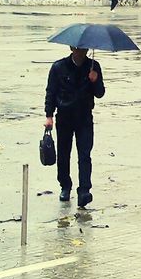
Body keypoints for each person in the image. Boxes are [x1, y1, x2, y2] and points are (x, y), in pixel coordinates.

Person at [44, 46, 105, 206]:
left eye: (84, 49)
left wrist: (95, 80)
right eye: (78, 49)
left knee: (85, 154)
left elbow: (100, 93)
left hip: (84, 117)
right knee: (64, 154)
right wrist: (49, 115)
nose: (81, 51)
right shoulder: (59, 67)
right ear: (72, 48)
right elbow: (51, 91)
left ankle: (84, 190)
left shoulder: (93, 66)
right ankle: (65, 185)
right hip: (64, 117)